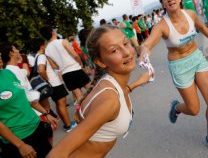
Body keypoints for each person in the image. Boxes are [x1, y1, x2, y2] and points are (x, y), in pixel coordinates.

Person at [139, 0, 208, 151]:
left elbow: (203, 28)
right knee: (194, 109)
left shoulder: (190, 14)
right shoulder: (162, 26)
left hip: (197, 59)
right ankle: (177, 107)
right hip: (180, 67)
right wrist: (144, 53)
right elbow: (148, 43)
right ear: (163, 4)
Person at [46, 25, 151, 158]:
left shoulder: (109, 84)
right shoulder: (109, 100)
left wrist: (138, 82)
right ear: (100, 61)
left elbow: (120, 95)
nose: (127, 52)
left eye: (126, 43)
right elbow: (56, 154)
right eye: (114, 50)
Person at [0, 69, 53, 158]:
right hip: (18, 140)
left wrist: (45, 113)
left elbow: (25, 98)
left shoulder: (7, 73)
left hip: (37, 129)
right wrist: (20, 145)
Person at [33, 39, 76, 132]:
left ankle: (66, 123)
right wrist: (47, 80)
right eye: (44, 45)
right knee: (62, 104)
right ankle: (68, 125)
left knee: (59, 104)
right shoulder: (41, 56)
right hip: (54, 83)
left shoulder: (36, 57)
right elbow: (41, 70)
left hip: (53, 84)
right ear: (41, 46)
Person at [40, 25, 91, 104]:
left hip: (65, 74)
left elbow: (54, 66)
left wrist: (61, 65)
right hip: (75, 68)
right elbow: (75, 55)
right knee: (90, 89)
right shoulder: (63, 41)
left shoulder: (46, 50)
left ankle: (84, 113)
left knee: (79, 96)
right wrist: (80, 63)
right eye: (54, 30)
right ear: (52, 32)